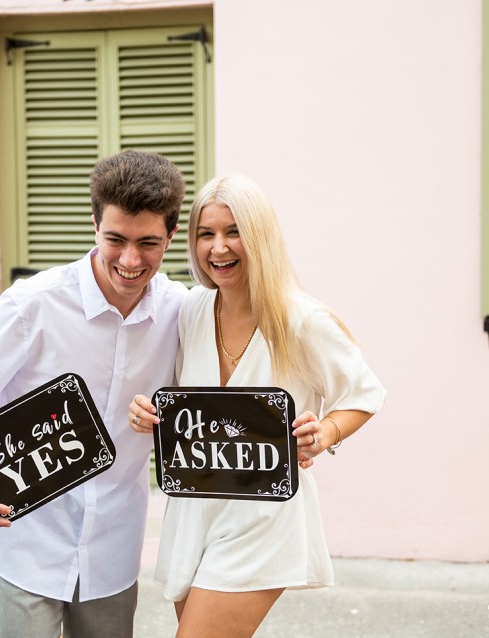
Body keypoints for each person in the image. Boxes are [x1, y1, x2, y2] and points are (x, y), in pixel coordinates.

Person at [0, 150, 188, 638]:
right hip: (23, 545)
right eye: (115, 239)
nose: (130, 260)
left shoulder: (181, 312)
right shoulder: (32, 304)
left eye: (148, 243)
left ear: (171, 235)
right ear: (95, 226)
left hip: (113, 552)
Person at [129, 174, 386, 638]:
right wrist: (147, 413)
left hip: (261, 515)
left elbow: (364, 393)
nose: (218, 247)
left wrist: (325, 433)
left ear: (261, 236)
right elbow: (181, 399)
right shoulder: (192, 310)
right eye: (206, 233)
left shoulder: (301, 319)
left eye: (234, 232)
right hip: (194, 508)